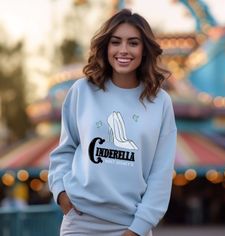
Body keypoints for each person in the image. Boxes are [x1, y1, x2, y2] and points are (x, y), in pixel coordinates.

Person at [48, 8, 177, 236]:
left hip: (130, 226)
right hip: (80, 223)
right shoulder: (83, 90)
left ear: (144, 49)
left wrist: (137, 228)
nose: (123, 50)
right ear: (106, 46)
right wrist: (61, 194)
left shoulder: (161, 102)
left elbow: (162, 173)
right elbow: (64, 151)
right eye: (116, 42)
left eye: (133, 43)